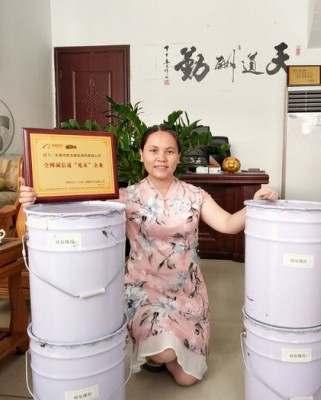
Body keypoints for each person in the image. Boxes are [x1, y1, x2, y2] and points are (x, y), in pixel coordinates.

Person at [19, 124, 279, 387]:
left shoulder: (195, 195)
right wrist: (37, 199)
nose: (161, 157)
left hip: (188, 294)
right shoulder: (126, 197)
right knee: (165, 353)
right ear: (141, 155)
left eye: (169, 151)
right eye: (153, 150)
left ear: (178, 157)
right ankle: (157, 350)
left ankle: (162, 350)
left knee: (187, 379)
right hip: (144, 290)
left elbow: (228, 224)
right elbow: (80, 209)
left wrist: (256, 204)